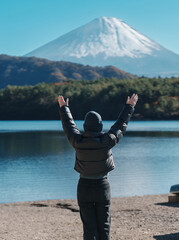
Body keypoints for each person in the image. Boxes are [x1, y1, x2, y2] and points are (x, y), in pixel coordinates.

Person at [58, 93, 138, 240]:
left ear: (85, 127)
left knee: (89, 228)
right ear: (100, 125)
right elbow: (120, 125)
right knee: (104, 225)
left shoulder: (77, 141)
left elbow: (68, 125)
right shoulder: (108, 140)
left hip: (84, 186)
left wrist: (64, 108)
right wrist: (130, 106)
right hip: (102, 186)